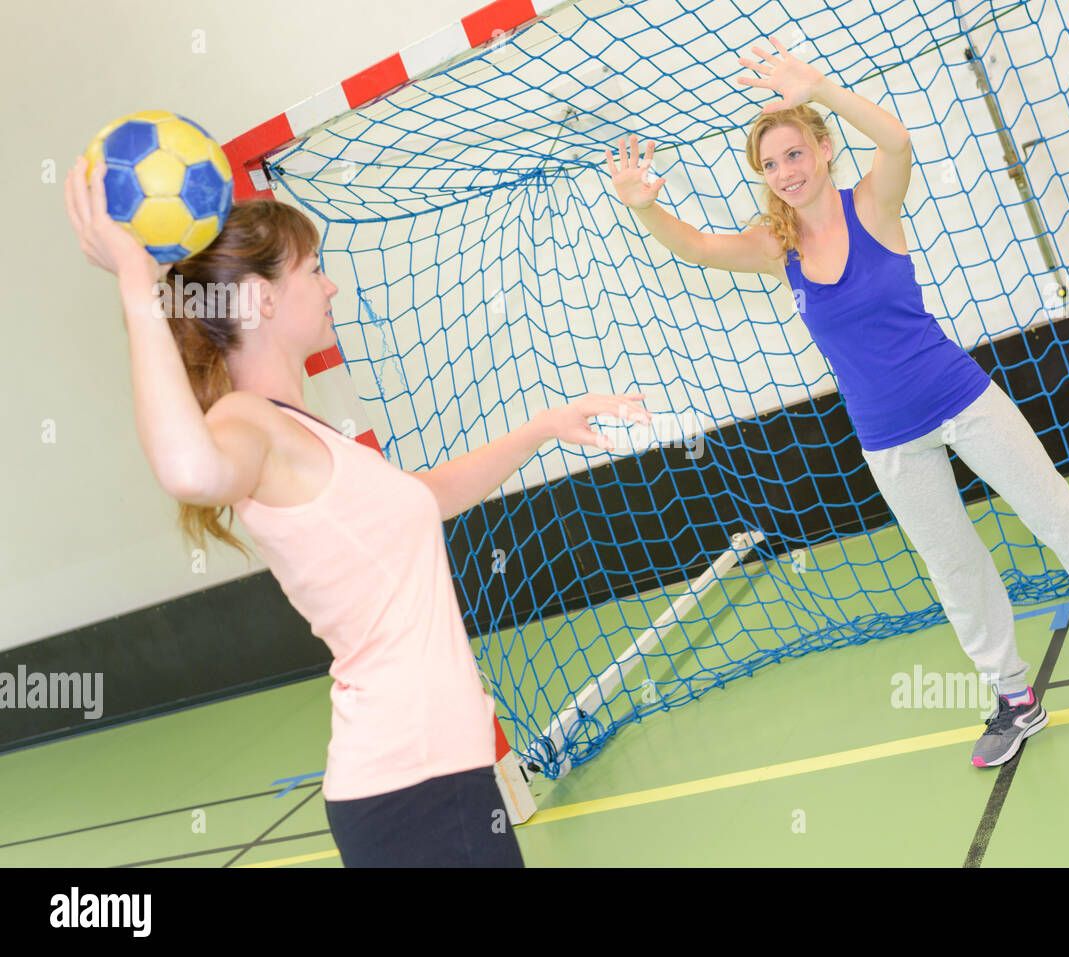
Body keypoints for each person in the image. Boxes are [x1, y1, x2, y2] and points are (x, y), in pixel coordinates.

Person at [604, 36, 1069, 768]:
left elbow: (897, 139)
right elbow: (699, 247)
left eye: (794, 154)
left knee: (1060, 520)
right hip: (888, 438)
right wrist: (645, 208)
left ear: (822, 148)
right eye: (770, 166)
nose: (785, 173)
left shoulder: (872, 202)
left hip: (960, 397)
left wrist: (822, 86)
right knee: (955, 568)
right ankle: (1014, 696)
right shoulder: (777, 245)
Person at [64, 155, 651, 864]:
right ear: (261, 299)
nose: (331, 284)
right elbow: (188, 468)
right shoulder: (246, 421)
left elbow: (423, 497)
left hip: (435, 775)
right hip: (413, 789)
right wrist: (138, 288)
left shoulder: (302, 430)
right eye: (313, 269)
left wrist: (541, 427)